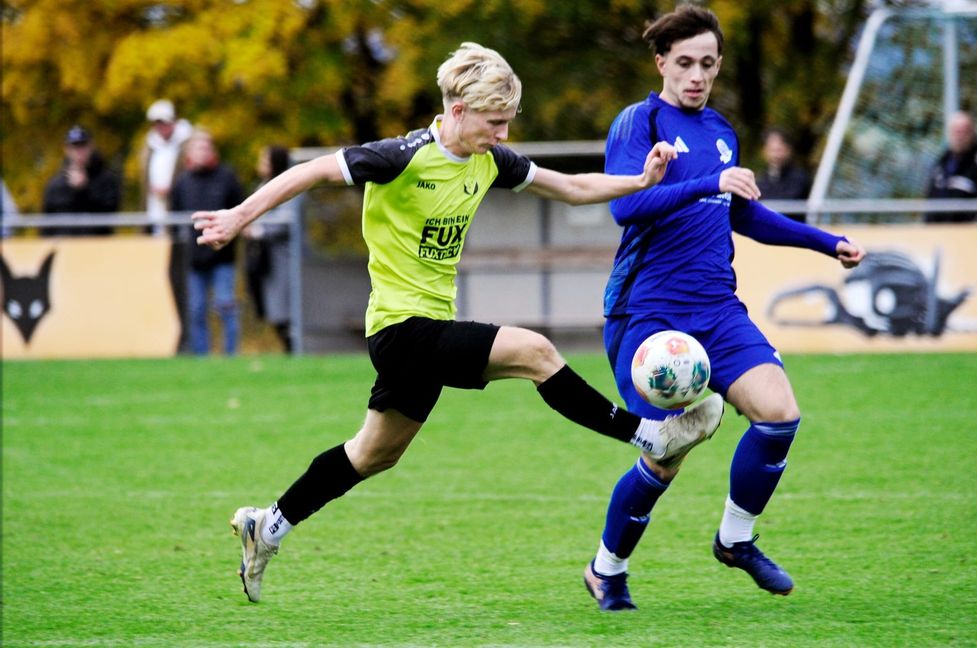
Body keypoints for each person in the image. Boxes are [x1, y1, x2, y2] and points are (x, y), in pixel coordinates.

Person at [193, 42, 724, 604]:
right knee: (536, 351)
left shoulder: (490, 159)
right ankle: (651, 436)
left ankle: (268, 525)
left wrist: (640, 182)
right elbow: (309, 172)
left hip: (425, 328)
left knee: (374, 453)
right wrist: (236, 216)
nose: (502, 134)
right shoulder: (400, 155)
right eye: (495, 122)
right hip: (399, 328)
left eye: (507, 123)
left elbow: (570, 188)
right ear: (459, 110)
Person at [582, 6, 865, 611]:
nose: (696, 75)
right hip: (647, 314)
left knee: (779, 413)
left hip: (717, 307)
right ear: (661, 63)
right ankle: (607, 569)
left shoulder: (721, 130)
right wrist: (710, 182)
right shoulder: (638, 123)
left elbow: (745, 215)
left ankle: (735, 539)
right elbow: (625, 209)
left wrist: (825, 242)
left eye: (707, 64)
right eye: (684, 63)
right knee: (663, 456)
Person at [171, 130, 244, 355]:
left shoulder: (226, 178)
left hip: (222, 257)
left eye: (206, 147)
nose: (202, 152)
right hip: (195, 259)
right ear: (190, 153)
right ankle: (202, 358)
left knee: (225, 307)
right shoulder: (183, 182)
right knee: (197, 310)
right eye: (198, 148)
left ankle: (231, 355)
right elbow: (174, 217)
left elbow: (241, 212)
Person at [244, 146, 301, 353]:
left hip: (284, 258)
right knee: (272, 307)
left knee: (285, 307)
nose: (261, 165)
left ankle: (294, 348)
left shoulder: (289, 185)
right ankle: (289, 348)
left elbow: (287, 220)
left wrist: (259, 230)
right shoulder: (261, 186)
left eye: (265, 161)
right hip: (264, 258)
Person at [41, 125, 120, 236]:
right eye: (74, 147)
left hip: (97, 248)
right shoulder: (56, 185)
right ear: (66, 150)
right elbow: (46, 225)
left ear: (91, 147)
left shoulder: (107, 181)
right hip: (65, 248)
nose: (79, 152)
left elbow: (110, 215)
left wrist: (84, 190)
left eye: (83, 146)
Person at [924, 110, 977, 223]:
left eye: (964, 132)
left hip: (969, 234)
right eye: (956, 132)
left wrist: (975, 231)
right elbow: (930, 200)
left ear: (972, 133)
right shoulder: (942, 161)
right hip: (940, 234)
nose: (960, 136)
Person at [139, 99, 194, 235]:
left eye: (163, 123)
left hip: (179, 208)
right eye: (156, 123)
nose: (160, 127)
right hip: (155, 207)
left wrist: (172, 189)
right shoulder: (150, 146)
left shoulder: (187, 144)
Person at [757, 127, 812, 222]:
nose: (776, 155)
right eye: (772, 150)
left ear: (789, 150)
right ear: (764, 151)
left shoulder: (799, 177)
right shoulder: (761, 179)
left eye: (779, 149)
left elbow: (789, 201)